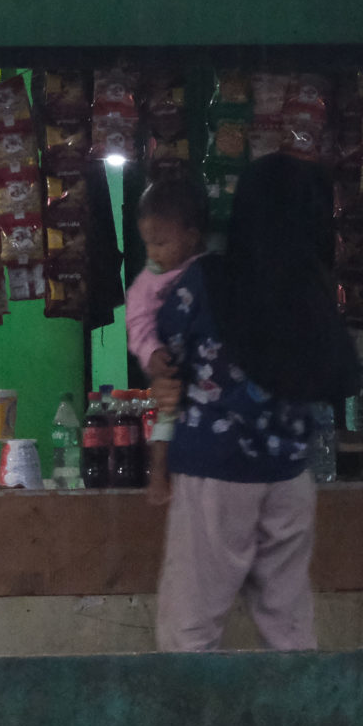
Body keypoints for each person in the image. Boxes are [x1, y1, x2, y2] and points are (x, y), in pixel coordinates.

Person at [149, 153, 362, 652]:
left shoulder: (207, 281)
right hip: (289, 472)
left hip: (215, 471)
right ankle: (299, 725)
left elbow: (167, 349)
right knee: (288, 622)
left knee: (191, 624)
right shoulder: (312, 289)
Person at [128, 173, 207, 508]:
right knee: (166, 418)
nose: (153, 252)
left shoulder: (207, 269)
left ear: (191, 237)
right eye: (148, 243)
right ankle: (158, 476)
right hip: (170, 367)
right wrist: (152, 352)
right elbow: (138, 322)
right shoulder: (148, 281)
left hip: (204, 370)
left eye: (162, 243)